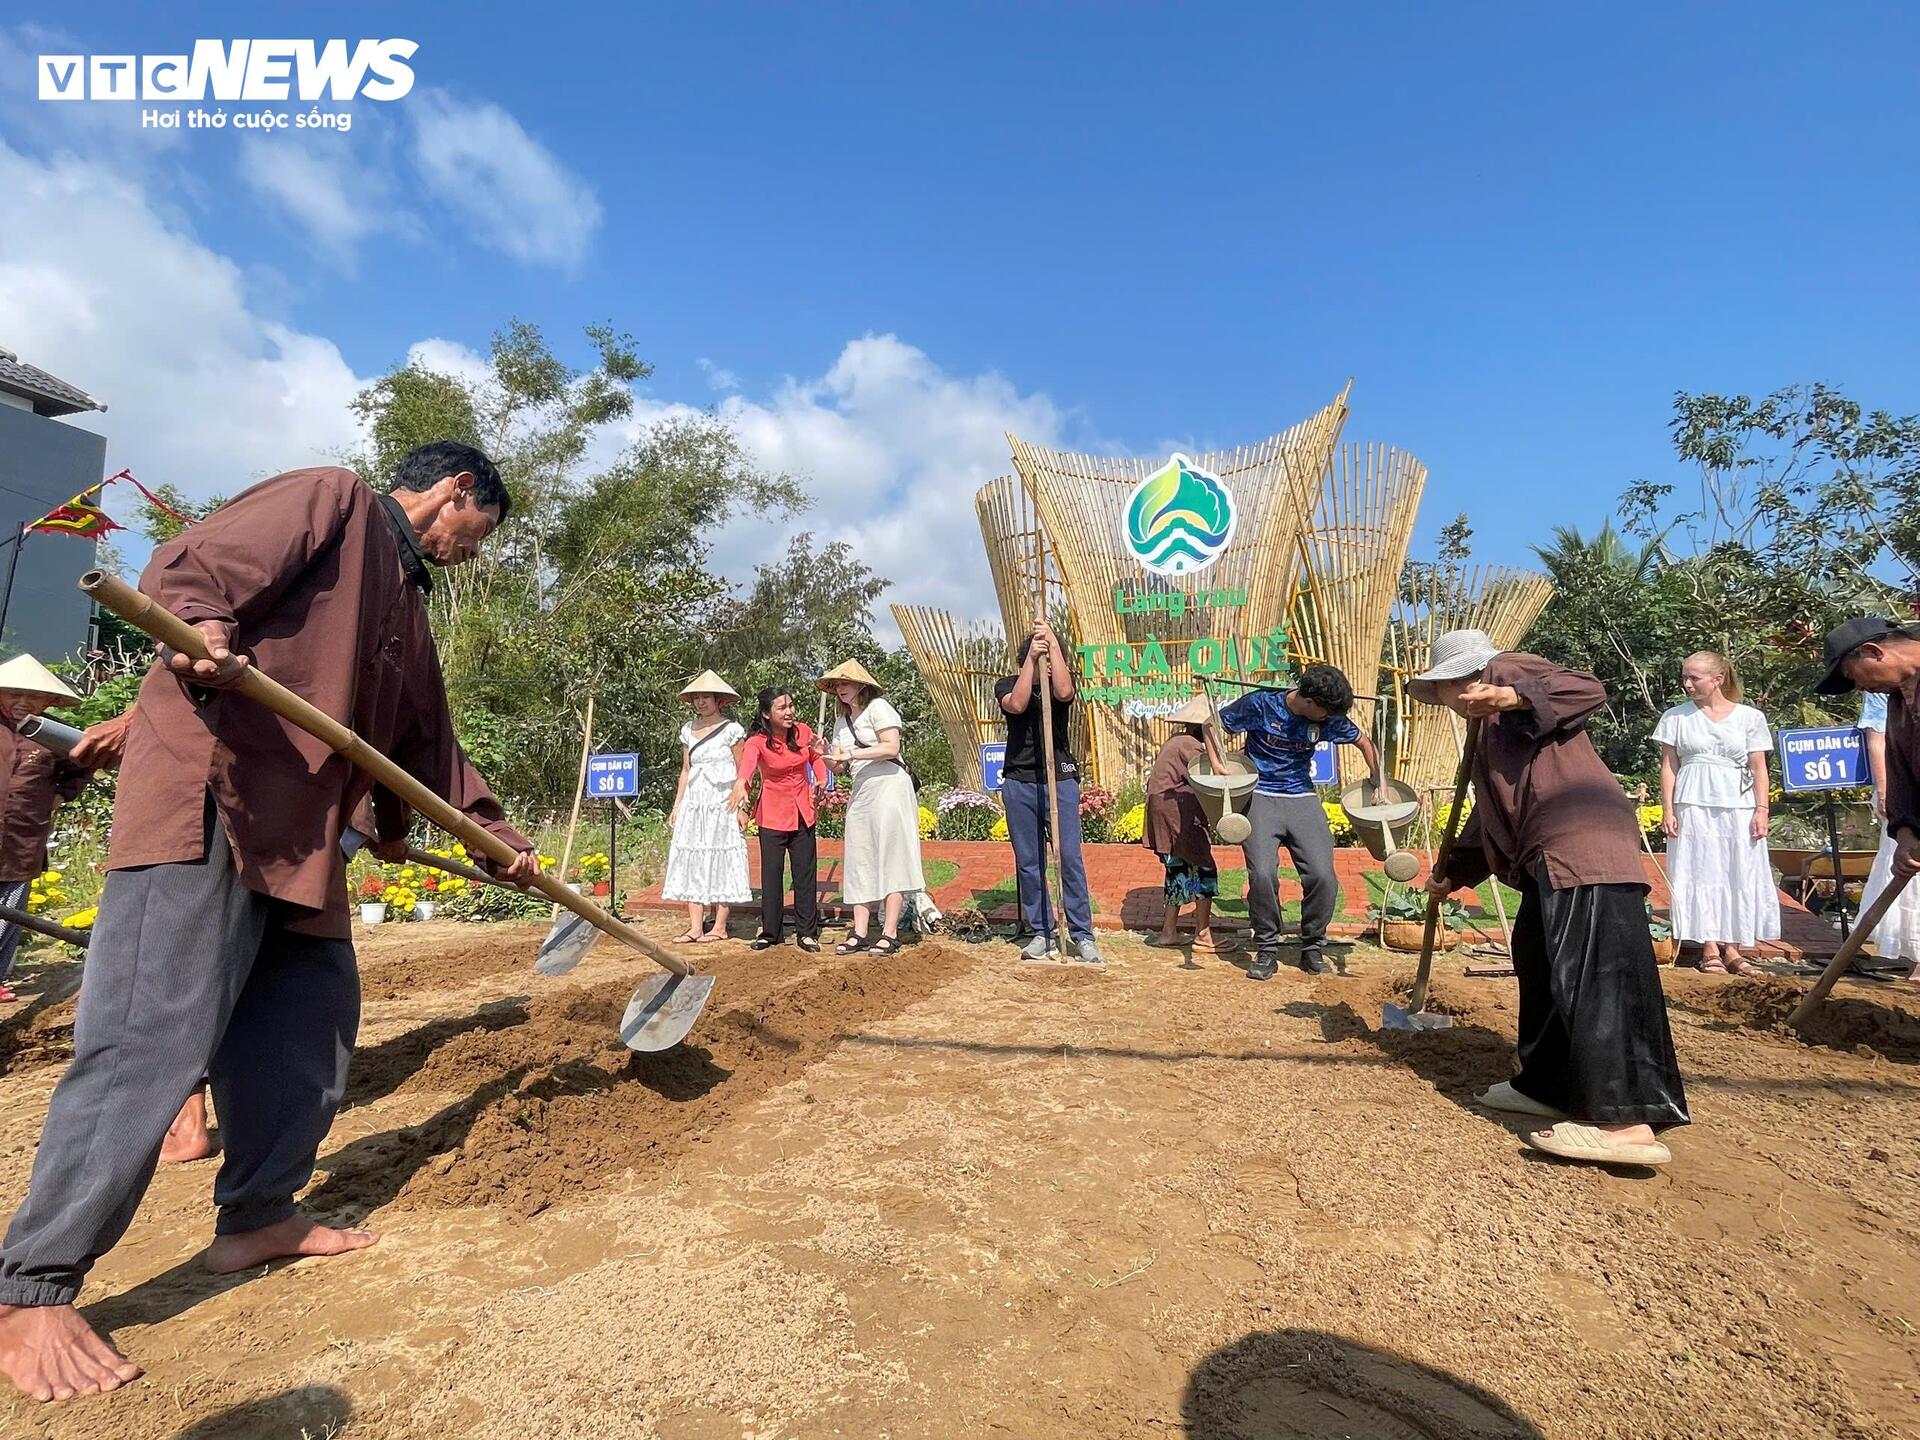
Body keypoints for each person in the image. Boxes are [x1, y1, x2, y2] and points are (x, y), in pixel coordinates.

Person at [0, 443, 541, 1403]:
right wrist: (200, 629)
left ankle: (257, 1213)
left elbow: (424, 746)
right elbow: (195, 566)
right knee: (149, 1036)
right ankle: (29, 1287)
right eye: (477, 530)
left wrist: (497, 838)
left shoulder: (407, 613)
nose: (468, 551)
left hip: (303, 836)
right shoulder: (331, 499)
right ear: (456, 490)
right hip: (214, 795)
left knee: (308, 1025)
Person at [1412, 629, 1689, 1169]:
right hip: (1547, 854)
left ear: (1458, 679)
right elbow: (1489, 816)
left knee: (1597, 975)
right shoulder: (1490, 732)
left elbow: (1586, 687)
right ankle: (1546, 1086)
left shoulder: (1508, 670)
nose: (1441, 698)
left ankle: (1626, 1120)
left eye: (1440, 687)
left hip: (1581, 846)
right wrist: (1455, 874)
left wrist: (1511, 694)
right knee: (1540, 962)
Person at [1216, 663, 1382, 980]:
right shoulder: (1260, 704)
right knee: (1262, 875)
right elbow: (1213, 724)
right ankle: (1266, 950)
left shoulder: (1327, 716)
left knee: (1323, 876)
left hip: (1302, 798)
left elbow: (1364, 741)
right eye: (1325, 712)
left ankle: (1312, 948)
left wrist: (1380, 781)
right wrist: (1219, 764)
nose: (1328, 719)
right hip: (1260, 796)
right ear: (1308, 700)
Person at [1652, 651, 1781, 975]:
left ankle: (1734, 949)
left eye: (1694, 678)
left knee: (1737, 872)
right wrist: (1668, 809)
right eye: (1684, 677)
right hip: (1692, 804)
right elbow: (1669, 765)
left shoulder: (1750, 718)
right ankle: (1709, 947)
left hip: (1739, 807)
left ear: (1717, 679)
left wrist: (1761, 810)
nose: (1687, 684)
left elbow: (1759, 768)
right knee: (1700, 872)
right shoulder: (1675, 717)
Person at [1814, 616, 1920, 974]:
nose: (1859, 688)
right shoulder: (1898, 702)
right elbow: (1900, 771)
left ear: (1874, 653)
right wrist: (1905, 832)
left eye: (1854, 677)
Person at [995, 619, 1101, 965]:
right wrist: (1031, 660)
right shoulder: (1007, 684)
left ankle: (1082, 935)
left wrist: (1053, 643)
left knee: (1069, 857)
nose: (1047, 663)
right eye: (1040, 655)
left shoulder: (1059, 689)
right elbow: (1017, 705)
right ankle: (1042, 932)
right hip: (1019, 780)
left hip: (1060, 779)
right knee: (1030, 862)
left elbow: (1066, 693)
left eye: (1051, 658)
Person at [0, 658, 95, 1006]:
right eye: (13, 693)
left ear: (48, 701)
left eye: (33, 696)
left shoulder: (54, 734)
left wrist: (59, 796)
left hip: (22, 835)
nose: (22, 702)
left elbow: (82, 766)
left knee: (10, 908)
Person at [820, 660, 923, 955]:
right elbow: (840, 766)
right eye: (838, 684)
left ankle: (889, 932)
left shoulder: (879, 708)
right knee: (860, 855)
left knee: (893, 854)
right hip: (862, 790)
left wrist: (852, 753)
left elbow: (891, 747)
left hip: (890, 785)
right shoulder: (841, 722)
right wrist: (825, 755)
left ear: (861, 686)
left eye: (846, 683)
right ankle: (860, 931)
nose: (841, 688)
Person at [662, 671, 752, 944]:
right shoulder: (688, 730)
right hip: (695, 802)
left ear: (718, 700)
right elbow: (686, 770)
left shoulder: (732, 731)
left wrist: (742, 807)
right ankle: (695, 927)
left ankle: (720, 926)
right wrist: (677, 805)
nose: (701, 702)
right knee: (692, 857)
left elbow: (743, 771)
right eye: (697, 698)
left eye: (706, 697)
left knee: (723, 857)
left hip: (723, 802)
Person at [730, 686, 821, 952]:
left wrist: (822, 780)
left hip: (803, 811)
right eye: (782, 708)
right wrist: (740, 784)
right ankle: (771, 932)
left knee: (805, 874)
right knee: (771, 875)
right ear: (766, 714)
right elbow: (747, 767)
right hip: (772, 814)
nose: (789, 712)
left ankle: (807, 933)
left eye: (791, 706)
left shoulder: (803, 731)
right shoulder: (757, 742)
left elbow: (815, 758)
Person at [1143, 693, 1228, 952]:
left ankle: (1169, 931)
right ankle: (1203, 933)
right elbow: (1212, 777)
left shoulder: (1177, 741)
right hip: (1176, 810)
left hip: (1166, 808)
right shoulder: (1191, 746)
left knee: (1178, 870)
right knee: (1204, 867)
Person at [1855, 688, 1920, 978]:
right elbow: (1879, 739)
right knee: (1908, 870)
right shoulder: (1886, 689)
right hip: (1905, 791)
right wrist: (1886, 789)